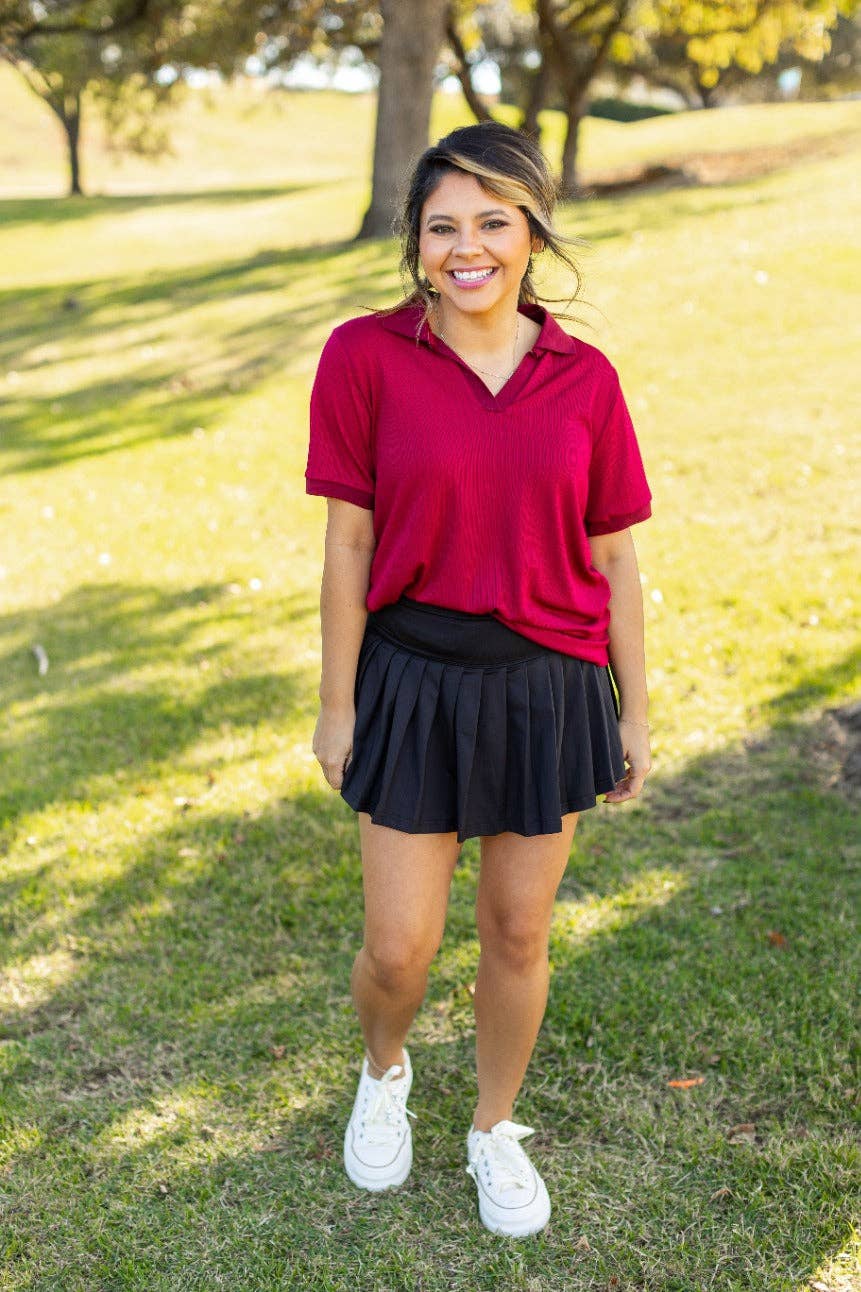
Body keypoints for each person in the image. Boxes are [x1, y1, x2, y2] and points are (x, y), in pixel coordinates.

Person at [305, 120, 652, 1238]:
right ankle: (385, 1069)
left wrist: (635, 710)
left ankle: (493, 1126)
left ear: (531, 236)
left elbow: (615, 558)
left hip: (549, 684)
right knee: (398, 948)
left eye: (493, 223)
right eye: (442, 226)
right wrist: (337, 703)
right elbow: (348, 543)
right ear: (415, 241)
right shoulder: (363, 357)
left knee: (516, 932)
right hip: (411, 674)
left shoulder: (584, 379)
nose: (468, 249)